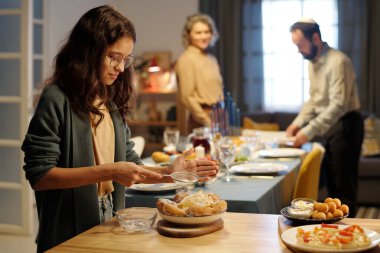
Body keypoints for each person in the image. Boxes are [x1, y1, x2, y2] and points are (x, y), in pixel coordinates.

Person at [21, 5, 218, 252]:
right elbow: (40, 176)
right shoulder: (56, 97)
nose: (121, 67)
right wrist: (109, 172)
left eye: (126, 59)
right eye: (114, 57)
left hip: (111, 219)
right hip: (67, 228)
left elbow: (130, 168)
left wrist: (170, 172)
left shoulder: (110, 100)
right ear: (88, 51)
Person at [286, 18, 364, 217]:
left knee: (344, 187)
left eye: (300, 45)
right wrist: (296, 124)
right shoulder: (313, 62)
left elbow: (338, 105)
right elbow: (314, 100)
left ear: (315, 38)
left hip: (346, 124)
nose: (299, 51)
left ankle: (350, 237)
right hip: (329, 125)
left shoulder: (339, 62)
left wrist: (308, 131)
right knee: (331, 187)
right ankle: (332, 235)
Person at [175, 13, 224, 133]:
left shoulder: (211, 58)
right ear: (188, 35)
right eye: (198, 32)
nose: (204, 36)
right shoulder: (186, 59)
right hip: (202, 119)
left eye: (207, 31)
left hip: (219, 114)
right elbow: (187, 97)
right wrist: (206, 120)